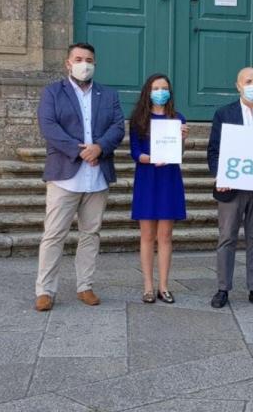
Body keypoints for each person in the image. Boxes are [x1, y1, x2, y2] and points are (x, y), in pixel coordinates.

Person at [34, 43, 125, 312]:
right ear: (68, 63)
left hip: (97, 177)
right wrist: (81, 151)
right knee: (53, 234)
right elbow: (48, 126)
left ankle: (85, 286)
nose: (84, 64)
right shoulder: (52, 92)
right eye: (78, 59)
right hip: (65, 175)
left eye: (88, 60)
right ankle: (45, 290)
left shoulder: (108, 95)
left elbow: (118, 126)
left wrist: (100, 147)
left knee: (90, 234)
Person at [206, 66, 253, 309]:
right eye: (248, 81)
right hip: (232, 188)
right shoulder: (224, 113)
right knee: (227, 237)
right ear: (238, 86)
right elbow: (214, 151)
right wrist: (222, 176)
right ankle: (223, 289)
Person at [129, 73, 189, 304]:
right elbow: (134, 152)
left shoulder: (178, 118)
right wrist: (151, 158)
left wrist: (182, 139)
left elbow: (179, 154)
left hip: (169, 179)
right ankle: (148, 286)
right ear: (148, 91)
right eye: (156, 87)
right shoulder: (139, 119)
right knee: (147, 235)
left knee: (165, 236)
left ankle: (164, 286)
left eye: (164, 88)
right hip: (147, 177)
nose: (161, 92)